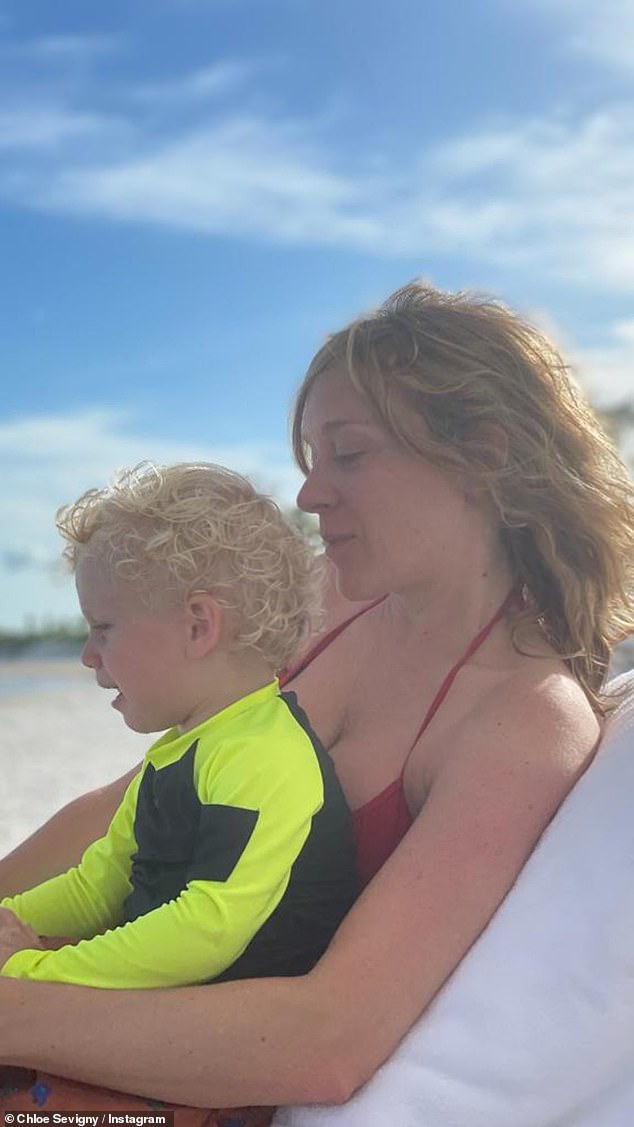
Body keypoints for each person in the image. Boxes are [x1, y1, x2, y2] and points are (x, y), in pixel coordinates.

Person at [1, 282, 633, 1125]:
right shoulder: (325, 600)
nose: (308, 493)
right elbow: (133, 805)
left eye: (349, 453)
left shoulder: (524, 721)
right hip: (93, 978)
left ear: (483, 454)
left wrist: (19, 1005)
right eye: (309, 455)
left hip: (177, 1080)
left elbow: (328, 1039)